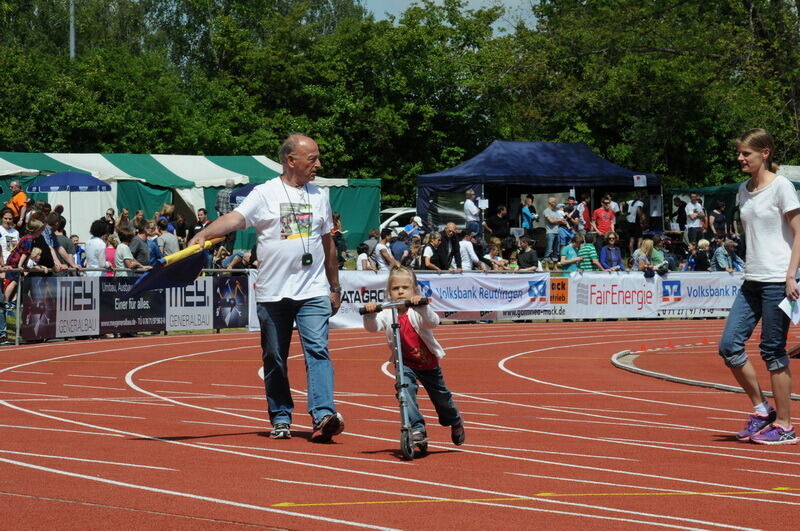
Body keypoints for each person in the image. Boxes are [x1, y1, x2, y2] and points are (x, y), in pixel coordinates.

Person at [189, 133, 345, 442]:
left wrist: (335, 286)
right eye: (312, 159)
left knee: (318, 350)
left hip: (312, 290)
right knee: (275, 356)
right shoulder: (265, 193)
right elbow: (235, 219)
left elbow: (328, 244)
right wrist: (205, 234)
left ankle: (323, 414)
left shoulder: (320, 196)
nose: (318, 164)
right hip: (273, 292)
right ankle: (281, 415)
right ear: (291, 161)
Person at [719, 128, 800, 445]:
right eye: (739, 153)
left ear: (765, 153)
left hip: (777, 280)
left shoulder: (782, 188)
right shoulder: (743, 189)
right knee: (729, 346)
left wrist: (792, 274)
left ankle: (785, 425)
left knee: (772, 351)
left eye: (746, 153)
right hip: (751, 279)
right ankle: (761, 409)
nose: (740, 158)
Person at [362, 266, 465, 446]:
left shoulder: (417, 310)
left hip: (428, 364)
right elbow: (373, 327)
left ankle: (454, 419)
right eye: (395, 289)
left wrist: (423, 307)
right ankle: (417, 428)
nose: (400, 292)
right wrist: (370, 315)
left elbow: (433, 322)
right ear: (389, 292)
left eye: (405, 288)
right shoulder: (388, 313)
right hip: (404, 364)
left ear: (414, 290)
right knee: (404, 392)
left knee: (441, 399)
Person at [216, 179, 236, 252]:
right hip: (230, 218)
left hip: (221, 218)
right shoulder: (233, 193)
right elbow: (235, 208)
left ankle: (219, 253)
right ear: (232, 185)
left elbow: (216, 206)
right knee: (231, 238)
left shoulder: (219, 192)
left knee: (222, 237)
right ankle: (228, 255)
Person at [624, 192, 646, 258]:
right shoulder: (640, 203)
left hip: (629, 222)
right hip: (636, 222)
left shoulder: (631, 201)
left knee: (631, 239)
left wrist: (622, 212)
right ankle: (638, 254)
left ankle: (631, 255)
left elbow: (621, 203)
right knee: (640, 239)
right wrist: (641, 219)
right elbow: (638, 210)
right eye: (644, 197)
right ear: (641, 197)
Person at [543, 197, 565, 262]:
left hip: (557, 232)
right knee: (549, 250)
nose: (556, 203)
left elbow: (562, 221)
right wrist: (559, 220)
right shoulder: (546, 211)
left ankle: (555, 267)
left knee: (556, 251)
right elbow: (551, 221)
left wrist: (558, 220)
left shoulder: (556, 211)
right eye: (555, 202)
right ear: (551, 203)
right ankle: (546, 266)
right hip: (550, 232)